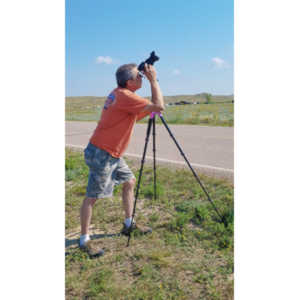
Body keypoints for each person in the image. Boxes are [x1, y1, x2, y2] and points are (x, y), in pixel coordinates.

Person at [79, 63, 165, 257]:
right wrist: (153, 81)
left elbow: (133, 117)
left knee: (129, 181)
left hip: (111, 152)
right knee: (92, 196)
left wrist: (151, 108)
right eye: (139, 76)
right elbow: (159, 105)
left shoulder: (120, 94)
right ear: (129, 81)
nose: (142, 77)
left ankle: (129, 224)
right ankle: (84, 240)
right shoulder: (125, 95)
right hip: (102, 153)